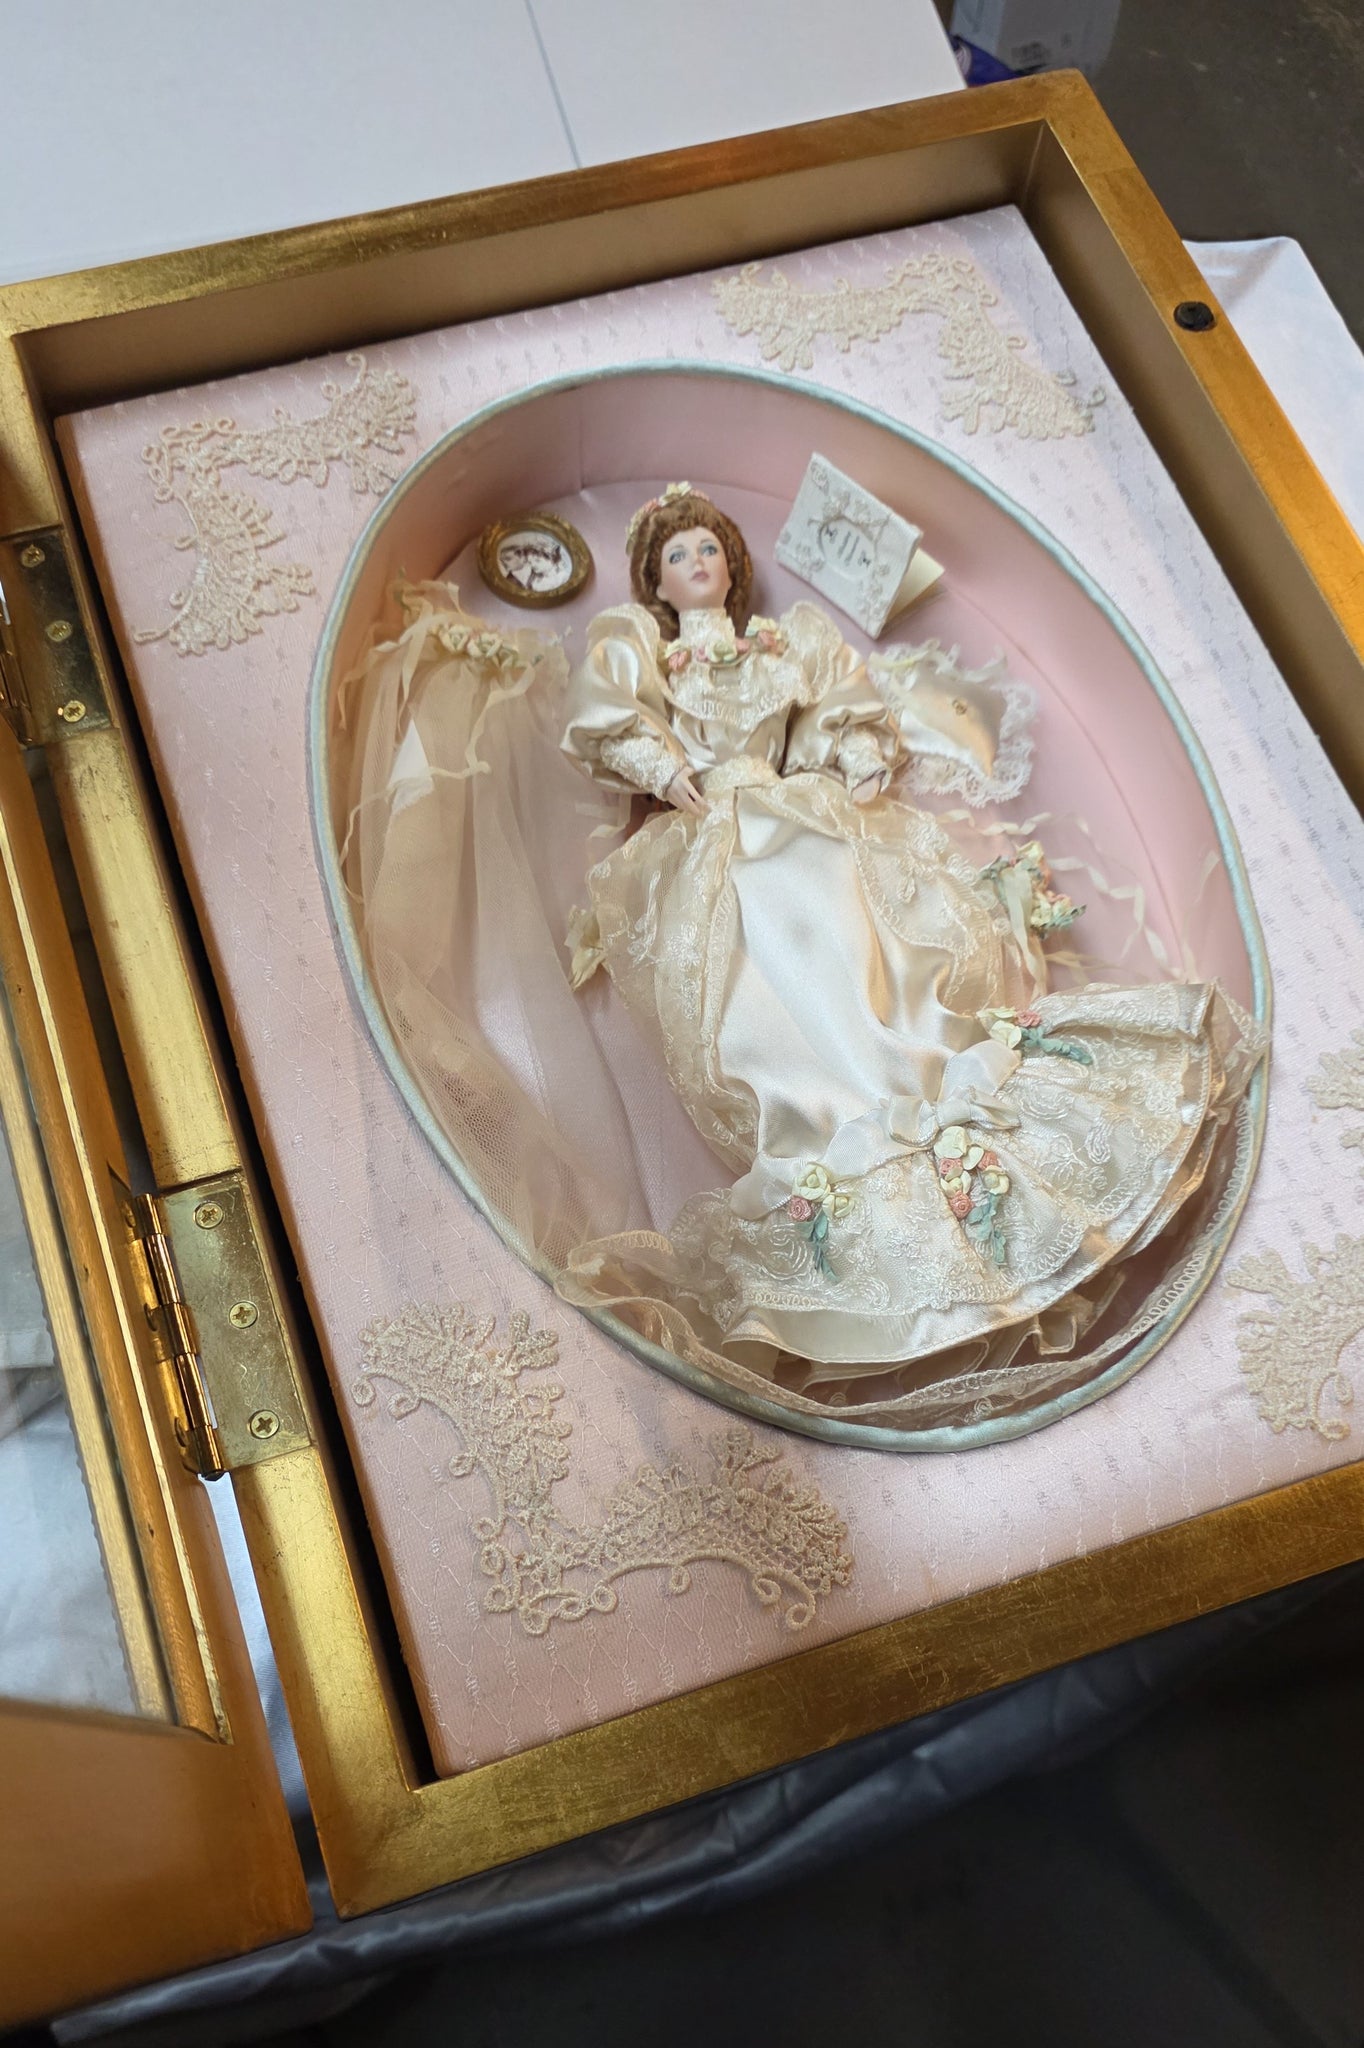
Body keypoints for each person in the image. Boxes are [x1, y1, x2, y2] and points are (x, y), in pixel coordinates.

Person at [557, 484, 1261, 1378]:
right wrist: (661, 765)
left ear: (732, 564)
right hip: (714, 837)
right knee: (756, 992)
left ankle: (925, 1083)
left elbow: (836, 703)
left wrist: (852, 756)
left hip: (801, 815)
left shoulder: (786, 639)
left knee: (870, 947)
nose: (698, 564)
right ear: (655, 584)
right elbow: (607, 713)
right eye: (677, 557)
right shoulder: (645, 648)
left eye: (709, 549)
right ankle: (836, 1126)